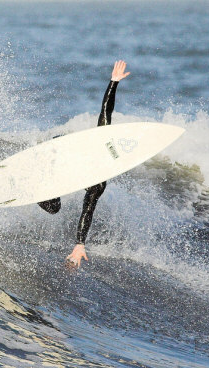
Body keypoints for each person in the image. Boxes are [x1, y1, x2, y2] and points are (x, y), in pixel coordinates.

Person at [37, 60, 130, 268]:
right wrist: (114, 82)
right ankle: (42, 166)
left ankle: (36, 184)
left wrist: (80, 243)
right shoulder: (101, 140)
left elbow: (87, 211)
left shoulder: (98, 183)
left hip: (60, 174)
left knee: (53, 208)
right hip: (59, 148)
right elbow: (106, 110)